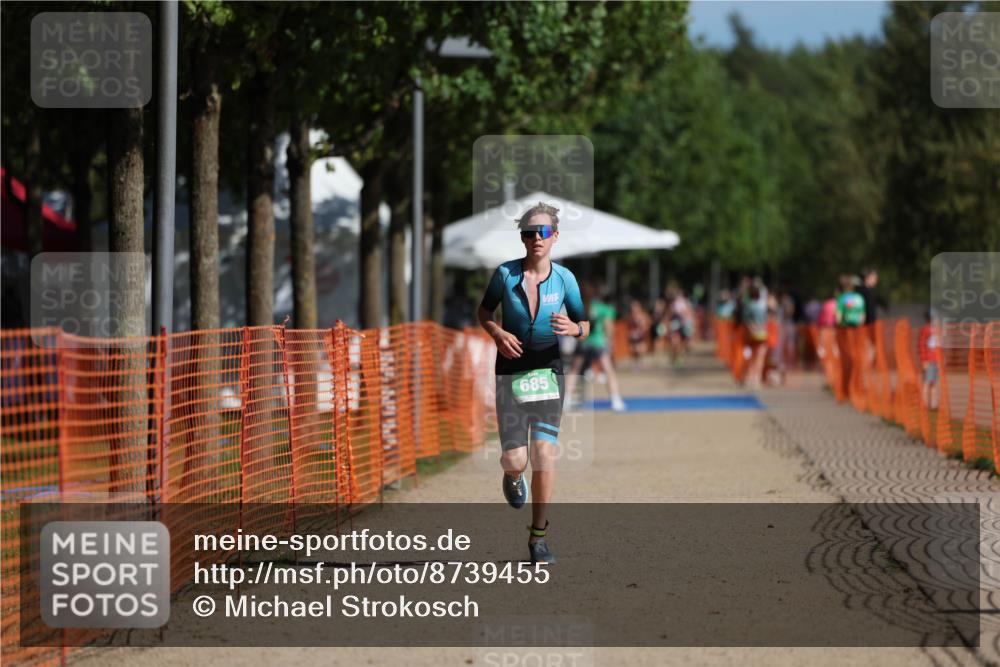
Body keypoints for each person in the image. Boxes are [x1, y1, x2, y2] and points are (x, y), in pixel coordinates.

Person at [478, 202, 589, 564]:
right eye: (529, 232)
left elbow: (585, 323)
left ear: (555, 236)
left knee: (544, 453)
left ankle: (538, 537)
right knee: (515, 459)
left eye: (542, 232)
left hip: (548, 373)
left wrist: (575, 329)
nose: (536, 239)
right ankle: (512, 476)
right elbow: (483, 311)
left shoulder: (565, 279)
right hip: (510, 373)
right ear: (522, 238)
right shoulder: (505, 275)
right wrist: (496, 332)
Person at [565, 282, 627, 412]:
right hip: (598, 342)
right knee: (608, 370)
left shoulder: (581, 307)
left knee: (574, 370)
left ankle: (567, 399)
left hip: (583, 342)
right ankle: (615, 400)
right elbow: (608, 328)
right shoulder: (605, 309)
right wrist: (609, 342)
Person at [918, 310, 940, 410]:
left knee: (934, 382)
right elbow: (922, 345)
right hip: (929, 360)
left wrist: (940, 359)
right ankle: (925, 404)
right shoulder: (926, 330)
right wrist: (924, 360)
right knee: (927, 382)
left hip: (935, 360)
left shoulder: (936, 330)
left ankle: (934, 404)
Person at [626, 298, 651, 365]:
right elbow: (629, 325)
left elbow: (647, 324)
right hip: (633, 335)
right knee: (633, 349)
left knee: (640, 349)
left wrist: (641, 328)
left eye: (635, 307)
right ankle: (636, 363)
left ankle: (642, 362)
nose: (633, 309)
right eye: (632, 307)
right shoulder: (630, 316)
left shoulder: (642, 315)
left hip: (640, 335)